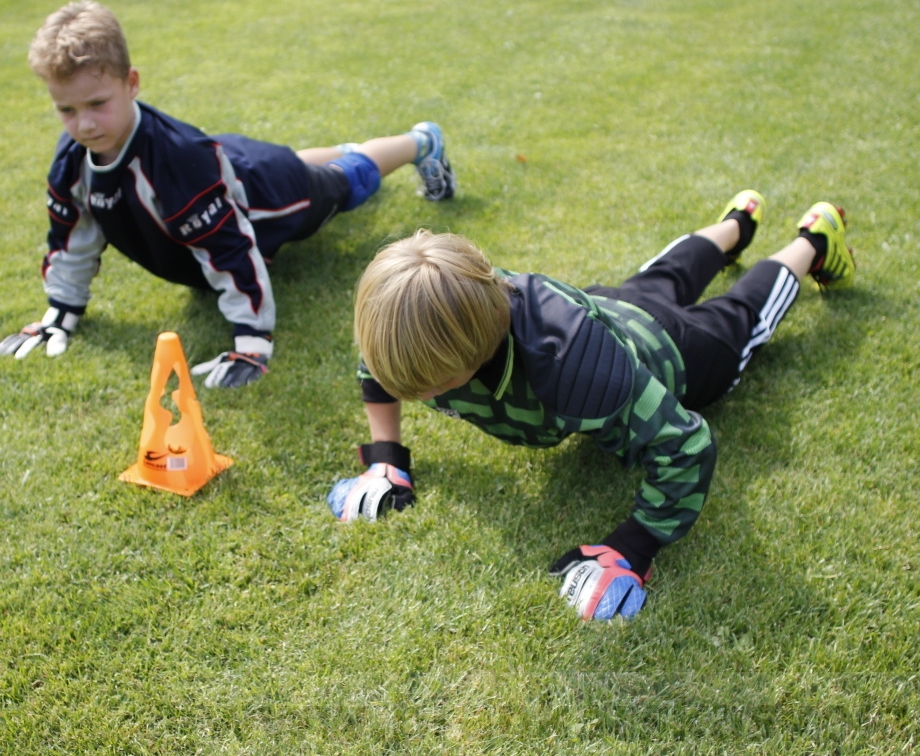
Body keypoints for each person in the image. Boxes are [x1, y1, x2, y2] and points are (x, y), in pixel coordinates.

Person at [328, 192, 856, 621]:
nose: (413, 392)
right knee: (664, 277)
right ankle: (738, 223)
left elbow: (686, 443)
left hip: (676, 355)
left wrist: (633, 546)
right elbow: (377, 369)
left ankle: (812, 239)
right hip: (612, 307)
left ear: (477, 349)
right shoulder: (418, 315)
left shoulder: (573, 368)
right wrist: (386, 456)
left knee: (740, 318)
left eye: (430, 384)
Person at [0, 0, 457, 387]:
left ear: (131, 83)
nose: (85, 124)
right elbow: (71, 237)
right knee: (291, 161)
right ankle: (346, 151)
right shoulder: (74, 156)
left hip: (270, 196)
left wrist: (252, 342)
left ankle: (420, 141)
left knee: (344, 182)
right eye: (67, 110)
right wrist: (61, 310)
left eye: (97, 104)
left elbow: (231, 250)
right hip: (229, 165)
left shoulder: (177, 165)